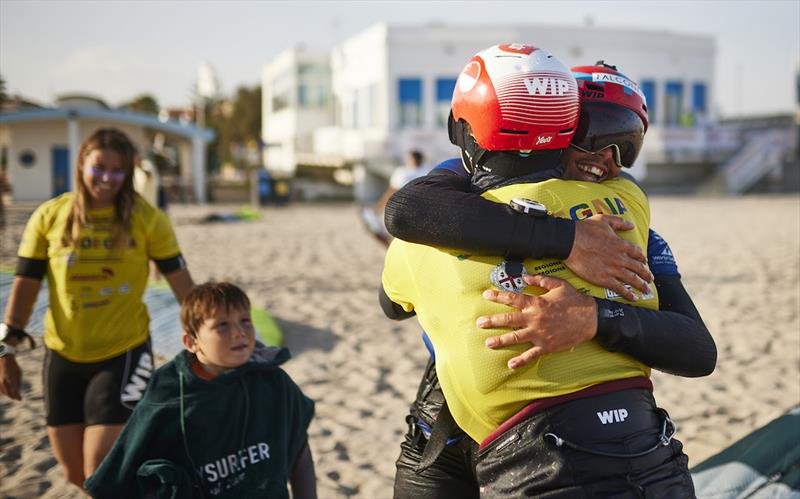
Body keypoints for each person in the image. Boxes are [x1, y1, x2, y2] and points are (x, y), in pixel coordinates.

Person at [381, 45, 710, 498]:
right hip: (457, 407)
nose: (609, 160)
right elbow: (410, 209)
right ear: (557, 129)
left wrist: (592, 317)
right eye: (594, 135)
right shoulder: (459, 189)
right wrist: (568, 239)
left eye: (628, 146)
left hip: (533, 425)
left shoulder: (625, 216)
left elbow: (697, 350)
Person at [0, 128, 195, 489]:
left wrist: (208, 331)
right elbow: (26, 283)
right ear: (81, 165)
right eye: (99, 167)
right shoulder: (49, 216)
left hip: (124, 353)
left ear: (129, 173)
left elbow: (182, 283)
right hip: (62, 355)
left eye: (118, 170)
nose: (107, 177)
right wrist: (6, 348)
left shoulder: (147, 218)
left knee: (99, 469)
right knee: (75, 475)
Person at [84, 282, 316, 499]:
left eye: (245, 320)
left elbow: (299, 450)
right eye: (222, 325)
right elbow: (119, 478)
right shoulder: (168, 396)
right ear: (191, 342)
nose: (239, 332)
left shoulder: (273, 381)